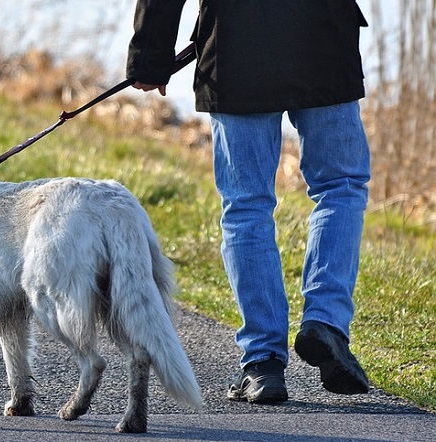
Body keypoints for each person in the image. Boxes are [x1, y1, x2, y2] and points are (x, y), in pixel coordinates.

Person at [126, 0, 371, 403]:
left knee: (246, 207)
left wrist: (150, 55)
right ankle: (325, 322)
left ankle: (263, 364)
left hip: (236, 48)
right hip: (323, 38)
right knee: (340, 186)